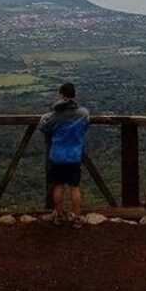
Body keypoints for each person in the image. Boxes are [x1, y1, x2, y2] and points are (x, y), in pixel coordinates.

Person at [38, 82, 90, 228]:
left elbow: (43, 127)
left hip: (57, 155)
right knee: (74, 187)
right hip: (74, 155)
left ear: (61, 95)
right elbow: (85, 127)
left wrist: (45, 116)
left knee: (58, 186)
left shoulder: (54, 115)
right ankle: (76, 217)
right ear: (75, 94)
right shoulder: (84, 114)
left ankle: (59, 215)